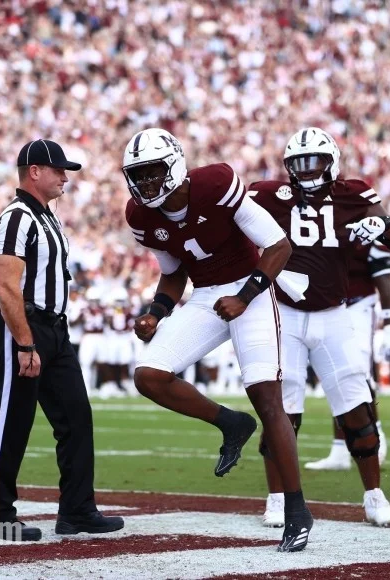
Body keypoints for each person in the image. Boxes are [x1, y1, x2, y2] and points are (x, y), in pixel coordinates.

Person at [122, 127, 312, 552]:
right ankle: (231, 423)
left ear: (174, 166)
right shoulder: (141, 216)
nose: (146, 183)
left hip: (252, 290)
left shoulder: (216, 185)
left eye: (153, 172)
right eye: (139, 174)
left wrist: (245, 297)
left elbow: (278, 247)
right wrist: (155, 313)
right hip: (208, 296)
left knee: (268, 400)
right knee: (149, 375)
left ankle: (297, 510)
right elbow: (173, 273)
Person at [248, 127, 390, 528]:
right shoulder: (269, 194)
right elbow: (229, 213)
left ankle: (374, 496)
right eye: (298, 164)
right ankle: (277, 498)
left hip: (334, 315)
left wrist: (383, 227)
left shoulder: (353, 193)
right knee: (281, 408)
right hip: (283, 313)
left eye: (314, 161)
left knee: (356, 405)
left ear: (332, 162)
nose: (306, 171)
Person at [0, 139, 123, 542]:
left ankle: (77, 510)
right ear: (34, 172)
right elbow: (7, 287)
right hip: (24, 328)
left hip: (55, 331)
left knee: (77, 417)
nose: (65, 177)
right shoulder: (16, 217)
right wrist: (25, 343)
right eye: (58, 169)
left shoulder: (47, 217)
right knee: (13, 421)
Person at [304, 241, 390, 471]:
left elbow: (383, 278)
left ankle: (377, 431)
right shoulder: (325, 219)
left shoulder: (367, 225)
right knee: (335, 375)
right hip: (329, 305)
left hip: (358, 304)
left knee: (359, 370)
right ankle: (339, 449)